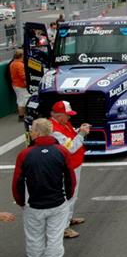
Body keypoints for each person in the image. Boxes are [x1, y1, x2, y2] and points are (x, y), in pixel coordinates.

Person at [12, 118, 76, 257]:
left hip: (34, 205)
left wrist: (21, 202)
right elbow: (70, 178)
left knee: (34, 239)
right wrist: (68, 196)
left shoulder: (24, 154)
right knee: (55, 239)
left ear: (37, 133)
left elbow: (17, 182)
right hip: (58, 203)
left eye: (32, 130)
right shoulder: (62, 151)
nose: (30, 132)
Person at [49, 101, 90, 239]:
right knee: (68, 195)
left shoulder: (62, 123)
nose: (69, 118)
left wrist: (78, 130)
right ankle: (64, 227)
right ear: (60, 116)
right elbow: (70, 147)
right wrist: (82, 134)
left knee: (72, 194)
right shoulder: (55, 130)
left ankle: (68, 218)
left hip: (74, 164)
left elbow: (70, 137)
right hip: (68, 167)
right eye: (67, 115)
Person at [9, 49, 28, 121]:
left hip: (16, 85)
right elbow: (23, 76)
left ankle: (21, 116)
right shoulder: (19, 64)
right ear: (21, 55)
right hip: (21, 85)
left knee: (20, 100)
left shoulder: (13, 63)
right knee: (24, 101)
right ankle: (22, 116)